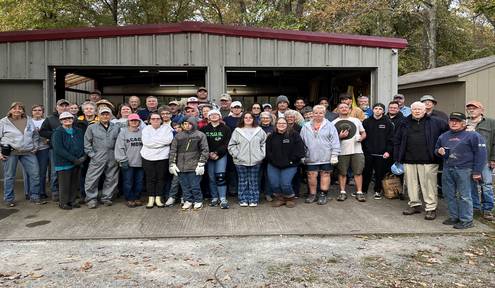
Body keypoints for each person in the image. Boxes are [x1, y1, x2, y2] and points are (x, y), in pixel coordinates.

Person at [394, 101, 448, 220]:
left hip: (429, 159)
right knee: (411, 184)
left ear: (425, 111)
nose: (417, 111)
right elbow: (397, 140)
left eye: (420, 109)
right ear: (411, 110)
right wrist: (398, 157)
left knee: (428, 185)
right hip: (409, 158)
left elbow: (448, 134)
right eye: (415, 109)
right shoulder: (404, 122)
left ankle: (430, 208)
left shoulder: (436, 122)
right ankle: (414, 205)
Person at [435, 112, 487, 229]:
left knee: (465, 196)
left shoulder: (473, 136)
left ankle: (467, 220)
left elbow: (481, 155)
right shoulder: (444, 136)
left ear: (464, 123)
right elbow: (436, 149)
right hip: (448, 169)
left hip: (465, 170)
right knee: (449, 194)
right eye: (452, 120)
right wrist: (439, 151)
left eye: (457, 121)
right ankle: (454, 217)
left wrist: (477, 172)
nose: (454, 123)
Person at [0, 102, 45, 206]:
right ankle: (8, 199)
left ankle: (34, 196)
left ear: (23, 111)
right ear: (10, 110)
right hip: (10, 152)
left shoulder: (29, 120)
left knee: (35, 174)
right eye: (14, 108)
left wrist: (35, 146)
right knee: (9, 176)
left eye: (20, 108)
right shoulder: (3, 121)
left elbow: (35, 135)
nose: (17, 110)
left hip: (28, 152)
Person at [300, 105, 340, 204]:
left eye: (321, 113)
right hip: (311, 156)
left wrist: (335, 154)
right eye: (316, 113)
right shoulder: (306, 126)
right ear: (313, 114)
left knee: (325, 174)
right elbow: (301, 142)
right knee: (311, 175)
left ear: (324, 114)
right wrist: (302, 155)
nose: (318, 115)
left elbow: (335, 141)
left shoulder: (330, 125)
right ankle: (312, 194)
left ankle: (323, 194)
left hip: (326, 156)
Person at [169, 117, 209, 210]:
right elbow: (173, 151)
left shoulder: (200, 135)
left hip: (194, 165)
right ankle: (188, 200)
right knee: (184, 185)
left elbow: (205, 150)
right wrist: (172, 164)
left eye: (189, 123)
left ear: (194, 124)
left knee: (195, 185)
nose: (187, 126)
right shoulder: (178, 136)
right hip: (181, 166)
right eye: (185, 124)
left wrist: (201, 163)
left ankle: (198, 200)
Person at [84, 107, 120, 209]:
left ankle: (107, 197)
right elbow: (87, 143)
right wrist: (92, 155)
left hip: (112, 155)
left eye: (107, 114)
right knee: (92, 178)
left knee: (111, 178)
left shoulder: (116, 127)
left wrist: (118, 155)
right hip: (98, 155)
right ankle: (91, 199)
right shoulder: (92, 127)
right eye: (103, 114)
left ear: (110, 115)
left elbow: (119, 142)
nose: (105, 116)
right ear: (98, 116)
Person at [228, 112, 267, 207]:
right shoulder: (237, 131)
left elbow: (264, 143)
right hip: (240, 161)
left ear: (254, 119)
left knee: (253, 180)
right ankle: (243, 199)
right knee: (243, 180)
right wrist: (237, 155)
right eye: (246, 117)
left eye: (250, 117)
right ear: (243, 119)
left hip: (256, 160)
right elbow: (231, 145)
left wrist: (261, 155)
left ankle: (254, 199)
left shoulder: (259, 130)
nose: (248, 119)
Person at [267, 117, 305, 208]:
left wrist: (292, 160)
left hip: (290, 164)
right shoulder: (271, 136)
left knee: (285, 183)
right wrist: (272, 161)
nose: (281, 125)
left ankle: (290, 198)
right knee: (274, 184)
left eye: (283, 123)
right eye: (279, 123)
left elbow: (300, 150)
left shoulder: (294, 135)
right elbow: (268, 151)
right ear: (276, 125)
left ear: (287, 125)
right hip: (274, 164)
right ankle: (280, 199)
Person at [332, 103, 367, 202]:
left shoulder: (356, 120)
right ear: (338, 110)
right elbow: (331, 139)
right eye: (341, 107)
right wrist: (339, 137)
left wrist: (361, 138)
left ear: (349, 109)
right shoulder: (333, 123)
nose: (344, 109)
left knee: (358, 172)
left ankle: (359, 192)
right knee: (342, 173)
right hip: (342, 151)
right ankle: (342, 192)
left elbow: (363, 132)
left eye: (346, 107)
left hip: (357, 150)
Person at [466, 101, 495, 221]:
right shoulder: (464, 123)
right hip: (468, 160)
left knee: (487, 185)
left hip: (484, 160)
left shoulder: (491, 123)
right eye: (469, 108)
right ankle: (475, 207)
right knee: (471, 185)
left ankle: (488, 209)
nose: (472, 110)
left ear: (481, 110)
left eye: (475, 108)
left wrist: (493, 158)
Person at [52, 112, 86, 210]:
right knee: (64, 184)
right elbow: (58, 149)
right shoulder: (58, 132)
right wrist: (74, 159)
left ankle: (72, 200)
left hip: (77, 161)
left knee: (74, 183)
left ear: (73, 119)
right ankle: (63, 202)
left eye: (70, 118)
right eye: (64, 119)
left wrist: (83, 157)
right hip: (64, 162)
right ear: (61, 121)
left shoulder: (78, 131)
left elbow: (83, 144)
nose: (67, 120)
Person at [140, 112, 174, 208]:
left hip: (162, 157)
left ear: (161, 120)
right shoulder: (146, 129)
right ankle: (151, 199)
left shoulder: (167, 128)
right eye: (153, 119)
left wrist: (154, 140)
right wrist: (161, 142)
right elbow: (147, 143)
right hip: (148, 157)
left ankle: (158, 198)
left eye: (158, 118)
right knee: (150, 178)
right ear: (149, 120)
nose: (155, 120)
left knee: (161, 178)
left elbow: (168, 141)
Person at [39, 99, 70, 201]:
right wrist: (56, 135)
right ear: (57, 107)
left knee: (69, 170)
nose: (64, 107)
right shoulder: (50, 119)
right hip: (55, 149)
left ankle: (68, 191)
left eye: (66, 106)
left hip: (70, 149)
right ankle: (55, 191)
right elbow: (42, 131)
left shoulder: (72, 118)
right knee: (55, 171)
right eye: (61, 106)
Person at [362, 103, 394, 199]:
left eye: (380, 109)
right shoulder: (366, 122)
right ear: (373, 110)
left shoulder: (388, 123)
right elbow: (363, 137)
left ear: (383, 111)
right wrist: (364, 150)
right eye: (376, 108)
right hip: (368, 153)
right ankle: (363, 190)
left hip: (382, 154)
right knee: (366, 172)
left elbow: (391, 139)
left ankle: (377, 191)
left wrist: (388, 151)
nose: (378, 110)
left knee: (379, 173)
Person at [201, 109, 232, 209]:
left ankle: (222, 198)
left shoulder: (226, 128)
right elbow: (203, 143)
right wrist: (209, 153)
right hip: (208, 156)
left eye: (216, 114)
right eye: (211, 115)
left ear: (220, 116)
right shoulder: (204, 129)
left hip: (221, 156)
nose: (214, 116)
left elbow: (227, 143)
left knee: (220, 176)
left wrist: (217, 153)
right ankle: (214, 197)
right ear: (208, 117)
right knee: (211, 177)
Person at [115, 113, 144, 208]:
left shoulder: (143, 131)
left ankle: (137, 197)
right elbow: (119, 147)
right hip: (128, 162)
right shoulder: (123, 132)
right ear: (128, 122)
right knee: (128, 182)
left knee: (139, 182)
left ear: (139, 122)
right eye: (132, 120)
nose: (134, 122)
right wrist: (122, 160)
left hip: (141, 162)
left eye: (136, 120)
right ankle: (130, 198)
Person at [23, 105, 50, 200]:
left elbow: (50, 133)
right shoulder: (27, 121)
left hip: (43, 149)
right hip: (29, 150)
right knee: (28, 172)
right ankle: (28, 192)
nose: (37, 112)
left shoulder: (46, 121)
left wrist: (47, 139)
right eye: (35, 110)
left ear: (43, 112)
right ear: (32, 112)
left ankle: (41, 192)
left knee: (42, 172)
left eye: (40, 110)